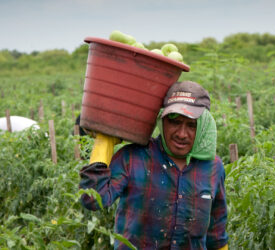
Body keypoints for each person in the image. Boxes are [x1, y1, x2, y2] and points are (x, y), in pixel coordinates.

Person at [79, 81, 229, 250]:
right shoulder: (134, 157)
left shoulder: (212, 167)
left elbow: (216, 235)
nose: (181, 134)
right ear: (162, 120)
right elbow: (91, 199)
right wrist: (104, 141)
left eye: (191, 125)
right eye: (174, 122)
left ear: (203, 127)